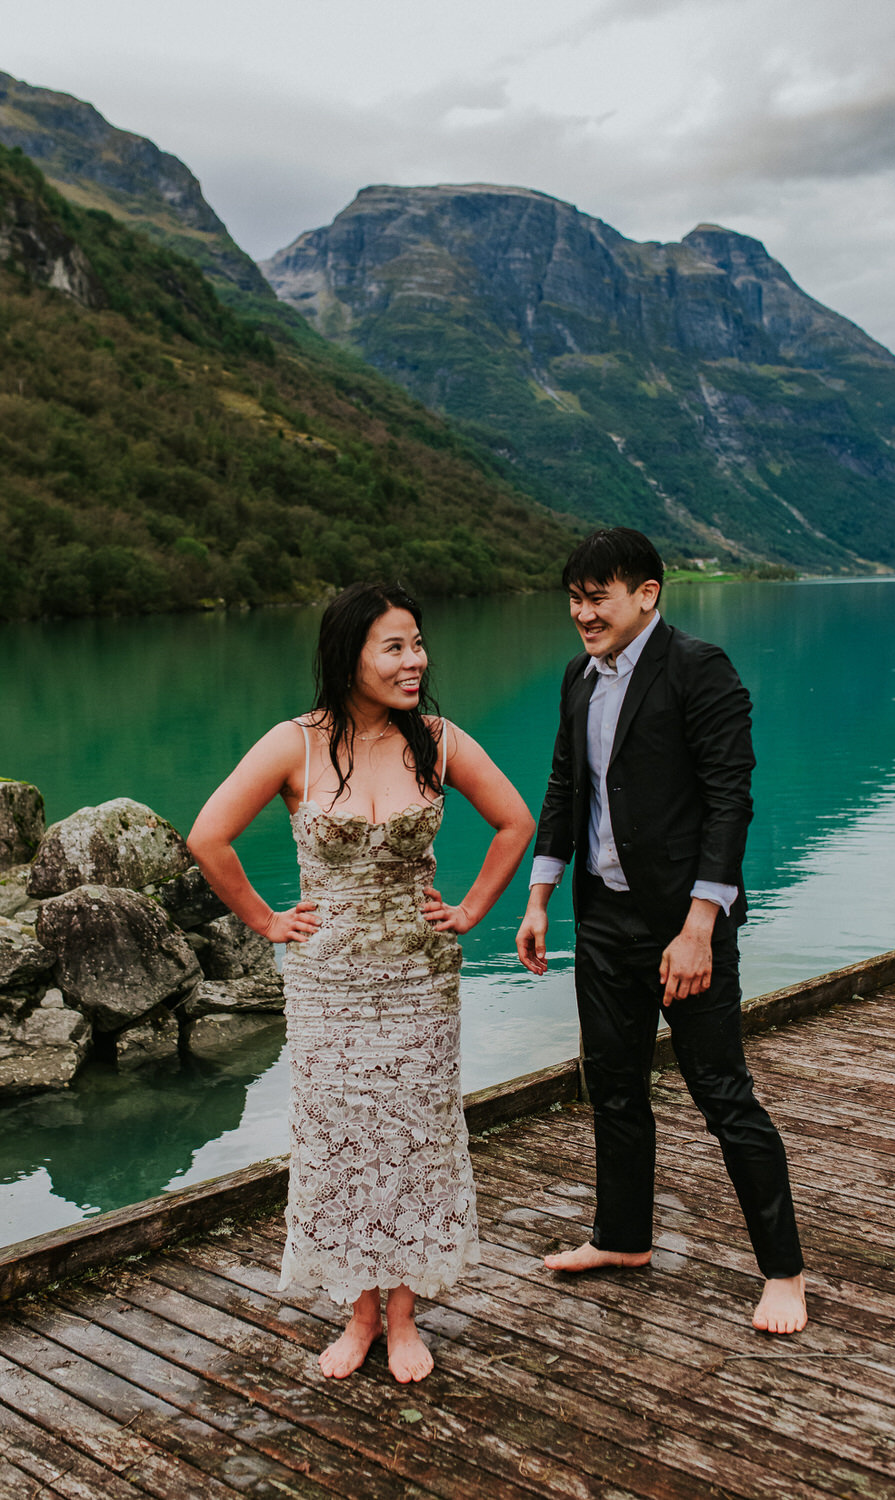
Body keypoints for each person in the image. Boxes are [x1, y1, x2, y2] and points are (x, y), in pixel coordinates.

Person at [189, 581, 535, 1383]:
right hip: (330, 986)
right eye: (396, 646)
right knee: (341, 1144)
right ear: (350, 655)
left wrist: (474, 907)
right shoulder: (293, 744)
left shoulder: (439, 741)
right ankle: (357, 1312)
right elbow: (209, 838)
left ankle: (405, 1315)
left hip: (419, 977)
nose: (416, 661)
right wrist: (269, 923)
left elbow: (515, 820)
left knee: (417, 1141)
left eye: (418, 645)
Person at [515, 528, 807, 1334]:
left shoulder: (698, 669)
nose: (583, 613)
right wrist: (541, 896)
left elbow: (729, 801)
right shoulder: (579, 677)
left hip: (684, 925)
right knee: (611, 1085)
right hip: (602, 919)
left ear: (648, 594)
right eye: (574, 599)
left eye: (597, 596)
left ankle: (783, 1271)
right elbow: (563, 789)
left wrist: (700, 926)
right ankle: (622, 1239)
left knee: (723, 1095)